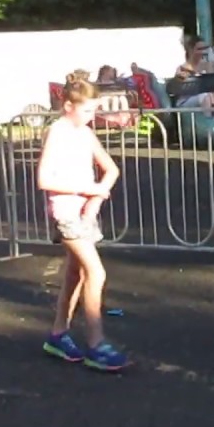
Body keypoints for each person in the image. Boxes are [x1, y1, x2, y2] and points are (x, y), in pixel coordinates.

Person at [37, 77, 128, 371]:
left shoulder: (85, 133)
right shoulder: (58, 132)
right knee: (96, 273)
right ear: (68, 106)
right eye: (87, 110)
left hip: (84, 213)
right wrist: (90, 190)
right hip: (65, 212)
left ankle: (58, 334)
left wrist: (95, 200)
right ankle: (95, 343)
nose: (92, 116)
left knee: (74, 275)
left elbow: (111, 169)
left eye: (94, 110)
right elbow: (44, 179)